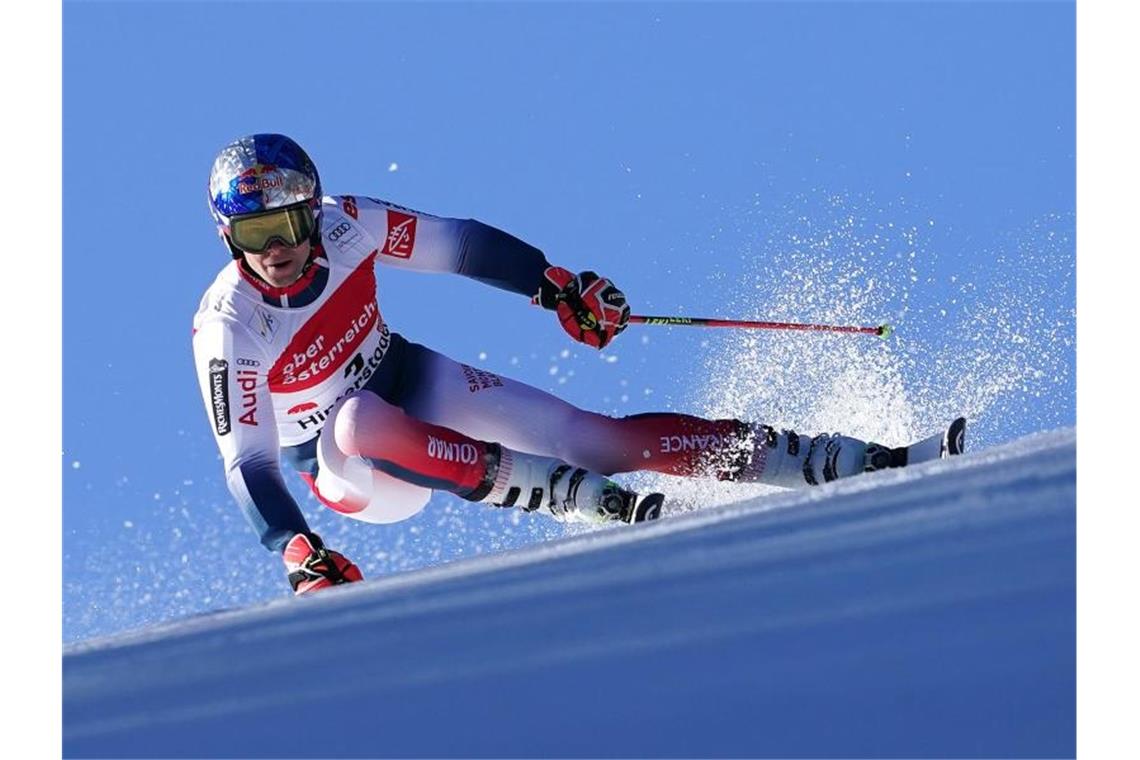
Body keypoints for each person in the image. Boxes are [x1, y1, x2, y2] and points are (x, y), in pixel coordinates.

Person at [193, 134, 916, 595]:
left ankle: (825, 458)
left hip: (408, 376)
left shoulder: (350, 222)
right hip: (351, 471)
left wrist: (555, 285)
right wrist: (296, 550)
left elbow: (459, 244)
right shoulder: (229, 327)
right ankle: (556, 492)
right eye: (254, 233)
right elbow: (247, 466)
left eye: (285, 225)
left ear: (312, 214)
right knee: (355, 419)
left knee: (597, 438)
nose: (274, 249)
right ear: (229, 237)